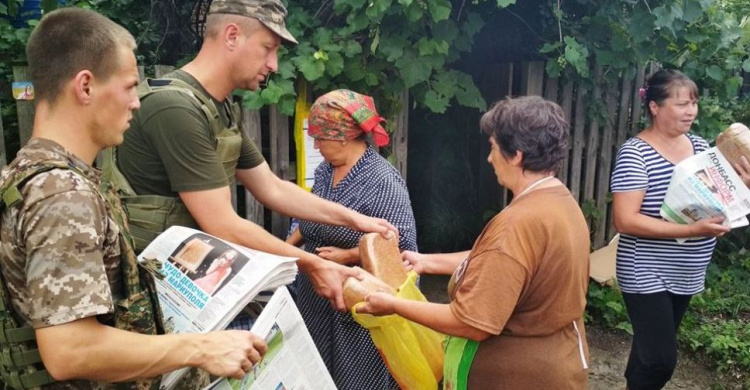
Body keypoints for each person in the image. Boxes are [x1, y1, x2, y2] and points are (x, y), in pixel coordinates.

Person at [0, 8, 267, 389]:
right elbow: (69, 350)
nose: (137, 101)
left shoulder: (29, 172)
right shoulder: (61, 192)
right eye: (128, 86)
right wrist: (202, 348)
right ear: (86, 86)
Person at [108, 0, 395, 312]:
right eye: (268, 48)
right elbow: (223, 225)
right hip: (150, 295)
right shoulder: (177, 109)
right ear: (232, 35)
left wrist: (356, 220)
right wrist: (312, 264)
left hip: (182, 284)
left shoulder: (218, 107)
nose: (273, 64)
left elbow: (271, 187)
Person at [358, 96, 590, 390]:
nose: (489, 158)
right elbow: (505, 262)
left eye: (493, 148)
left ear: (516, 154)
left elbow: (471, 323)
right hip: (559, 363)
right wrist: (428, 262)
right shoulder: (558, 202)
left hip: (516, 377)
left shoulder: (518, 223)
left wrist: (394, 304)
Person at [285, 89, 417, 390]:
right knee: (316, 369)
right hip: (317, 296)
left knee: (356, 377)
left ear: (343, 136)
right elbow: (307, 220)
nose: (315, 144)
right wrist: (283, 250)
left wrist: (347, 256)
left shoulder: (382, 180)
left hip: (360, 302)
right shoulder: (324, 173)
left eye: (320, 137)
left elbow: (401, 249)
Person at [610, 69, 731, 390]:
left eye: (693, 103)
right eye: (681, 104)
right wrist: (692, 231)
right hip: (646, 270)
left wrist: (736, 194)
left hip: (687, 272)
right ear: (654, 107)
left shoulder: (699, 145)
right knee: (660, 361)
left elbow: (712, 197)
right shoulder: (635, 154)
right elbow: (625, 219)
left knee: (648, 354)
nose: (690, 111)